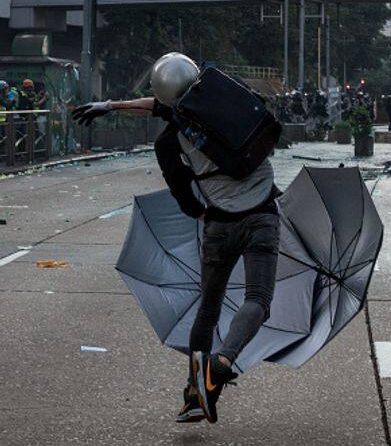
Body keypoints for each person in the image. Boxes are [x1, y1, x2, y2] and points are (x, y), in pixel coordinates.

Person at [72, 53, 281, 425]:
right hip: (263, 214)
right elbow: (166, 105)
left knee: (208, 309)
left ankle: (196, 395)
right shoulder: (229, 94)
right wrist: (113, 105)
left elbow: (184, 196)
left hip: (218, 225)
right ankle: (225, 360)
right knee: (258, 299)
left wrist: (109, 105)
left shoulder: (170, 140)